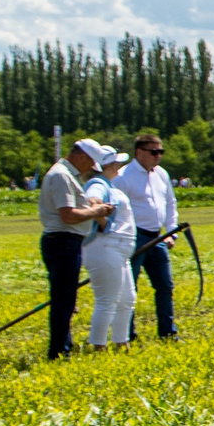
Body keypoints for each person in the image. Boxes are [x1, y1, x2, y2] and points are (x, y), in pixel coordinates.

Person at [35, 138, 111, 358]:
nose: (90, 169)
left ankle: (64, 345)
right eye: (90, 163)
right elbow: (68, 215)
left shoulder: (66, 174)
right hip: (63, 241)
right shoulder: (62, 176)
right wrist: (97, 212)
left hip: (65, 241)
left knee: (66, 298)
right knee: (64, 300)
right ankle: (59, 351)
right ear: (81, 157)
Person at [119, 132, 181, 341]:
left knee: (165, 286)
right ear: (139, 152)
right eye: (154, 151)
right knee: (129, 288)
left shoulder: (161, 174)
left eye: (161, 151)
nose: (158, 156)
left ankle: (167, 332)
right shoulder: (124, 176)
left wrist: (171, 232)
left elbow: (170, 203)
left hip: (158, 238)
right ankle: (127, 334)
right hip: (134, 237)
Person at [80, 142, 138, 349]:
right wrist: (104, 224)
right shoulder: (98, 183)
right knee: (107, 301)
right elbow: (92, 201)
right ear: (108, 166)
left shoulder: (108, 185)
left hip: (117, 250)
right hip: (105, 246)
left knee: (127, 299)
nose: (118, 166)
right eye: (115, 163)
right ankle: (98, 346)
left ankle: (121, 342)